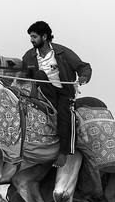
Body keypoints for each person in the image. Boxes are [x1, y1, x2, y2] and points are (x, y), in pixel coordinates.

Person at [22, 21, 92, 168]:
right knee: (39, 76)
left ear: (44, 36)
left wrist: (83, 77)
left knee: (64, 113)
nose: (31, 40)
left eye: (34, 37)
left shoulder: (62, 52)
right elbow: (24, 75)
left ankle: (63, 153)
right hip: (41, 92)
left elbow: (84, 67)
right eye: (30, 37)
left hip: (63, 92)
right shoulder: (29, 56)